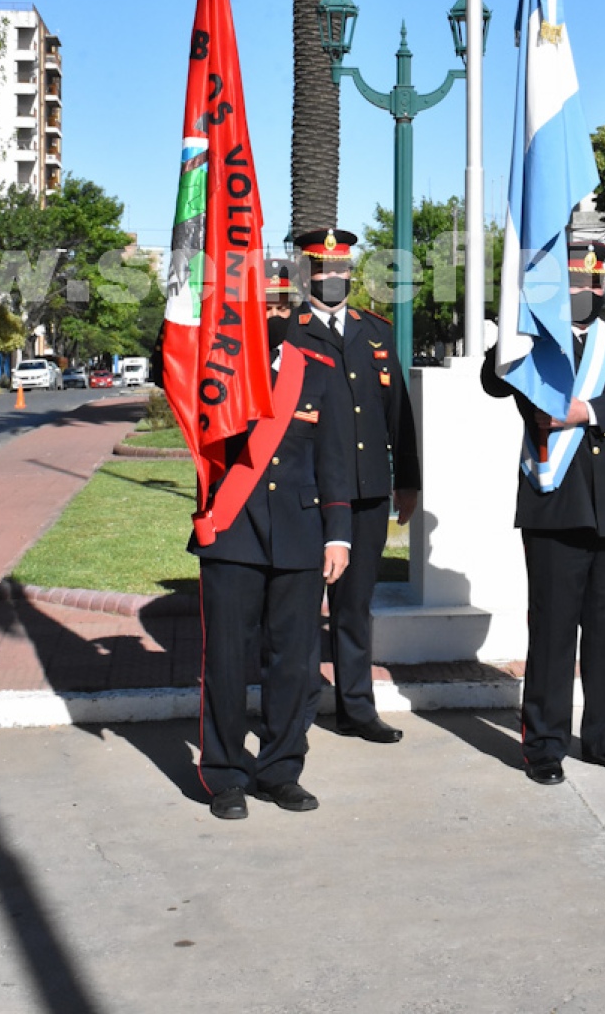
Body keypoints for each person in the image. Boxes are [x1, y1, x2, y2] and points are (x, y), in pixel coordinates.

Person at [481, 239, 605, 785]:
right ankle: (543, 747)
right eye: (574, 284)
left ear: (602, 286)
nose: (586, 291)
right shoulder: (535, 338)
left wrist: (588, 411)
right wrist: (510, 328)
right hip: (555, 503)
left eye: (592, 283)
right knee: (554, 633)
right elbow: (494, 384)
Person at [190, 315, 353, 820]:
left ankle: (281, 770)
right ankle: (225, 776)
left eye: (284, 306)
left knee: (294, 664)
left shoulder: (320, 373)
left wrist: (339, 535)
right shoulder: (220, 372)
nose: (275, 317)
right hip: (233, 532)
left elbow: (335, 461)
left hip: (300, 536)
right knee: (227, 661)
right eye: (266, 306)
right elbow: (172, 376)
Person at [286, 227, 421, 744]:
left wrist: (407, 480)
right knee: (298, 608)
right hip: (306, 492)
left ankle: (356, 709)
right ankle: (293, 711)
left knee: (353, 606)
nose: (333, 277)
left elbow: (397, 412)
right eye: (323, 269)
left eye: (341, 269)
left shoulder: (375, 332)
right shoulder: (290, 332)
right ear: (306, 274)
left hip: (365, 491)